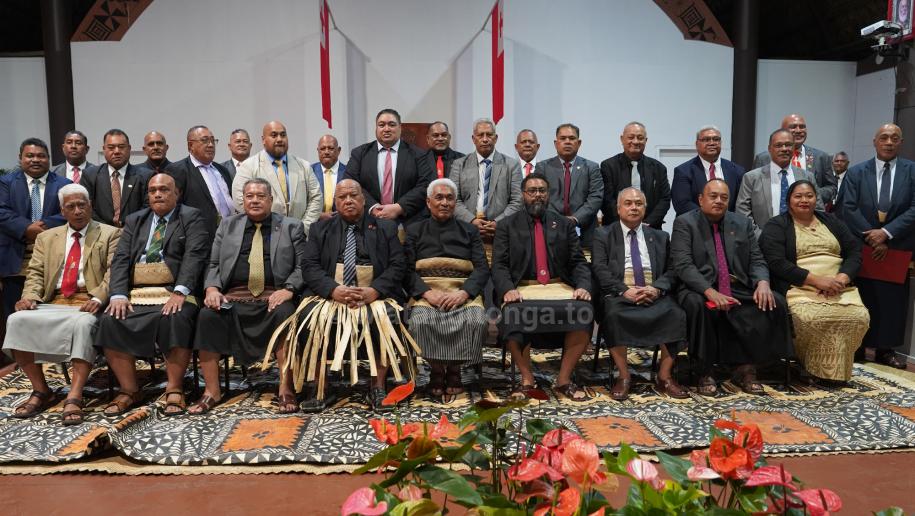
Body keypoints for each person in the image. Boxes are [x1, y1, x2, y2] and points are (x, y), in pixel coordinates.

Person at [278, 179, 417, 411]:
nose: (349, 200)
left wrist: (375, 291)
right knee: (309, 317)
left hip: (374, 295)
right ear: (335, 203)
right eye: (342, 197)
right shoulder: (320, 229)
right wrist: (333, 290)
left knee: (386, 316)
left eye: (353, 195)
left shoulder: (386, 228)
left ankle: (377, 387)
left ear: (364, 200)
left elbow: (398, 265)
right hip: (331, 294)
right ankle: (321, 387)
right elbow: (310, 266)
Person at [2, 184, 120, 424]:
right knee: (16, 320)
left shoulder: (109, 234)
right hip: (53, 301)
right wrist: (30, 297)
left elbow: (114, 273)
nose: (77, 211)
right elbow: (34, 273)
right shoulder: (47, 238)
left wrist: (98, 297)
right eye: (71, 206)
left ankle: (75, 395)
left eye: (82, 205)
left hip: (88, 301)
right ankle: (41, 390)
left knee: (84, 325)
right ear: (62, 211)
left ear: (90, 206)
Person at [95, 173, 209, 417]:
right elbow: (121, 259)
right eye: (153, 190)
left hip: (175, 288)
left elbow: (195, 255)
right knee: (109, 319)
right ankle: (129, 389)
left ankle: (175, 388)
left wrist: (180, 291)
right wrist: (117, 294)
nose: (158, 194)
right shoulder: (135, 220)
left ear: (176, 193)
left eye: (165, 189)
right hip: (138, 290)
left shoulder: (191, 217)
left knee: (177, 317)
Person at [192, 178, 306, 414]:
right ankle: (211, 391)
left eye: (260, 196)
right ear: (242, 200)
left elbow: (303, 266)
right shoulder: (227, 225)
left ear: (271, 200)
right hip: (233, 297)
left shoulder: (291, 226)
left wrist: (288, 290)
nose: (254, 200)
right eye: (249, 196)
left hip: (274, 296)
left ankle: (286, 389)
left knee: (286, 314)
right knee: (206, 316)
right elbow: (212, 263)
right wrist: (212, 288)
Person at [670, 179, 793, 395]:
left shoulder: (742, 223)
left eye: (724, 197)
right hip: (698, 287)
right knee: (699, 306)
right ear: (701, 199)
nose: (719, 201)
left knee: (772, 301)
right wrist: (711, 292)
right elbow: (683, 265)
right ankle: (704, 370)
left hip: (737, 285)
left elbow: (757, 259)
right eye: (713, 196)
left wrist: (762, 283)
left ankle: (746, 368)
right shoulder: (684, 223)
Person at [493, 172, 593, 401]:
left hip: (558, 286)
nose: (537, 196)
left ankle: (564, 380)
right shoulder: (507, 225)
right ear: (523, 195)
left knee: (585, 310)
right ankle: (527, 379)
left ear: (548, 195)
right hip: (523, 286)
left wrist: (584, 286)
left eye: (542, 191)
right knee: (512, 314)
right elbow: (499, 265)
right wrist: (508, 288)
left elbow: (578, 262)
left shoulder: (564, 224)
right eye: (532, 191)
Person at [760, 180, 869, 383]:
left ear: (816, 199)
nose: (804, 200)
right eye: (798, 196)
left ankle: (837, 371)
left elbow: (854, 251)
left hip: (839, 287)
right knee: (812, 319)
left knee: (859, 317)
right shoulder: (777, 225)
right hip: (800, 287)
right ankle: (809, 366)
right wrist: (817, 281)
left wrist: (842, 278)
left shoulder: (831, 221)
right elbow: (776, 262)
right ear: (789, 200)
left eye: (809, 195)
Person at [591, 187, 687, 400]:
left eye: (638, 203)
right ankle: (624, 376)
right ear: (618, 208)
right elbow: (599, 269)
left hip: (653, 292)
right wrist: (624, 290)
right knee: (613, 315)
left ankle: (664, 376)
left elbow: (673, 269)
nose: (633, 207)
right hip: (619, 293)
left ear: (645, 208)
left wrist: (656, 288)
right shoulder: (603, 234)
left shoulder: (660, 236)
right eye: (628, 203)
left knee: (676, 313)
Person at [404, 179, 489, 400]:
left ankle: (455, 370)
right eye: (439, 198)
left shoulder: (469, 230)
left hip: (461, 290)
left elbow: (482, 268)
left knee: (476, 320)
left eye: (450, 198)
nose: (444, 203)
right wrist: (426, 292)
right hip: (428, 291)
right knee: (421, 321)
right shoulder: (414, 230)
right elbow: (404, 269)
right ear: (428, 202)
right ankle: (436, 370)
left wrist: (464, 293)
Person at [838, 123, 915, 368]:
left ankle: (886, 350)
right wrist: (872, 236)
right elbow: (847, 207)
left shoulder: (912, 171)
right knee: (863, 295)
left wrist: (886, 233)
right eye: (884, 137)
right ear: (875, 141)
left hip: (897, 244)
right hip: (863, 243)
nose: (889, 142)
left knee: (893, 300)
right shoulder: (857, 172)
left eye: (894, 138)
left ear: (900, 142)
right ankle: (859, 346)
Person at [0, 138, 70, 321]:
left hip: (51, 257)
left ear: (48, 158)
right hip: (15, 258)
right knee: (14, 316)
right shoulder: (5, 182)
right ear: (20, 158)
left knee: (47, 316)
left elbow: (69, 213)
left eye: (41, 156)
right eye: (29, 156)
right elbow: (2, 211)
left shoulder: (64, 183)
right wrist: (26, 228)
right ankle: (16, 350)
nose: (35, 160)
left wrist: (41, 227)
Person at [343, 108, 435, 226]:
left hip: (409, 221)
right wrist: (373, 207)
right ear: (376, 128)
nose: (386, 129)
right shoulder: (360, 153)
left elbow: (426, 185)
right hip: (369, 221)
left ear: (400, 128)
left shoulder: (419, 154)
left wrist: (399, 207)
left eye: (391, 125)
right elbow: (350, 183)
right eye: (381, 125)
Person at [232, 121, 322, 236]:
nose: (279, 139)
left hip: (300, 236)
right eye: (274, 135)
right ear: (263, 140)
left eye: (283, 135)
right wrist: (264, 226)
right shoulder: (248, 166)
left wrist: (303, 228)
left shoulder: (304, 166)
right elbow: (240, 199)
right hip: (264, 236)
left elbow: (316, 198)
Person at [449, 118, 522, 243]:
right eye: (480, 135)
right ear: (473, 139)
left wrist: (496, 223)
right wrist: (471, 220)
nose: (485, 139)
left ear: (496, 138)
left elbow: (518, 201)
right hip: (466, 231)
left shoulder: (511, 165)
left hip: (502, 232)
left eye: (489, 135)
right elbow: (453, 199)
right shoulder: (459, 165)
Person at [737, 129, 821, 235]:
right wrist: (761, 237)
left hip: (802, 241)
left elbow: (818, 210)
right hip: (763, 241)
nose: (784, 149)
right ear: (769, 149)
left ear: (794, 148)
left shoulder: (807, 177)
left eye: (788, 145)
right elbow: (743, 212)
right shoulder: (751, 178)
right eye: (778, 145)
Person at [534, 124, 603, 248]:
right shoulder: (542, 167)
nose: (567, 142)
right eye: (563, 138)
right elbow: (538, 198)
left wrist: (575, 219)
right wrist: (558, 220)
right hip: (550, 229)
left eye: (571, 138)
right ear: (556, 143)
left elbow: (596, 197)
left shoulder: (592, 167)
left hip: (584, 231)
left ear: (579, 142)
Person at [164, 125, 235, 238]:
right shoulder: (177, 170)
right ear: (190, 145)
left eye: (213, 140)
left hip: (229, 233)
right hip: (199, 237)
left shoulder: (222, 170)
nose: (211, 145)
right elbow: (173, 209)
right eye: (205, 140)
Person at [600, 122, 671, 229]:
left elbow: (664, 199)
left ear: (646, 141)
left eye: (640, 138)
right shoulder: (608, 166)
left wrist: (647, 223)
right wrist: (625, 224)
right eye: (631, 137)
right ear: (622, 139)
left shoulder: (658, 168)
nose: (636, 141)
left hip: (651, 228)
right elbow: (607, 199)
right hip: (615, 228)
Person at [753, 114, 836, 203]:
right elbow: (754, 189)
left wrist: (812, 195)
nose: (798, 130)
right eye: (793, 127)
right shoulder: (764, 158)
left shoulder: (821, 157)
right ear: (782, 131)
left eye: (802, 127)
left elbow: (832, 188)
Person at [79, 129, 151, 228]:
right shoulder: (90, 175)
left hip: (134, 232)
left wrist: (129, 227)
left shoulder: (145, 176)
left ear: (129, 148)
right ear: (104, 149)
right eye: (111, 147)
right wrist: (108, 230)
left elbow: (148, 207)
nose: (117, 151)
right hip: (100, 233)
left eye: (121, 147)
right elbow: (87, 207)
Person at [672, 125, 746, 215]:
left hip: (728, 226)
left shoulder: (737, 171)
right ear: (697, 144)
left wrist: (725, 221)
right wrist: (711, 218)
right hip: (695, 225)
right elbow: (682, 204)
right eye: (706, 140)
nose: (712, 143)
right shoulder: (683, 171)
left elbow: (741, 205)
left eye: (716, 139)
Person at [311, 134, 347, 220]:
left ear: (338, 150)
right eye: (322, 149)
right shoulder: (309, 171)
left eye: (330, 148)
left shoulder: (348, 172)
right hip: (316, 225)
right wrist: (319, 215)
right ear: (318, 151)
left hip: (342, 224)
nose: (326, 152)